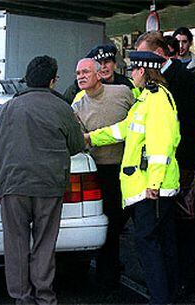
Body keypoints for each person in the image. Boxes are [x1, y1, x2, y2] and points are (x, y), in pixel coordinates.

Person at [0, 55, 84, 305]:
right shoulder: (62, 108)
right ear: (52, 81)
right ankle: (45, 296)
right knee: (45, 242)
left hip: (12, 186)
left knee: (15, 243)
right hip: (49, 185)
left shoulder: (8, 107)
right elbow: (77, 145)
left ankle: (22, 297)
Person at [85, 51, 180, 304]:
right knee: (157, 241)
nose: (131, 75)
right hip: (147, 185)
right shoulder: (146, 99)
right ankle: (166, 293)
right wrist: (92, 137)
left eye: (134, 70)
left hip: (152, 187)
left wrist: (154, 184)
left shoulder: (156, 100)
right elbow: (124, 129)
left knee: (148, 242)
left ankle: (161, 298)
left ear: (142, 72)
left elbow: (161, 145)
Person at [135, 31, 195, 296]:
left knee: (186, 225)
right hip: (165, 168)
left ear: (158, 54)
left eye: (143, 56)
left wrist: (180, 159)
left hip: (182, 164)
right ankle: (173, 281)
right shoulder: (157, 82)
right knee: (169, 230)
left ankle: (186, 281)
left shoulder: (183, 79)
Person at [72, 57, 134, 288]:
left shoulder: (123, 92)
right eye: (78, 72)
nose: (81, 76)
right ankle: (108, 277)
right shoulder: (77, 105)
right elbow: (78, 141)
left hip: (131, 168)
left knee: (142, 226)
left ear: (99, 74)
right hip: (101, 173)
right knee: (110, 225)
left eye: (86, 71)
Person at [63, 44, 138, 103]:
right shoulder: (77, 88)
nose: (103, 67)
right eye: (99, 63)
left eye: (107, 62)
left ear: (115, 65)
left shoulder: (130, 84)